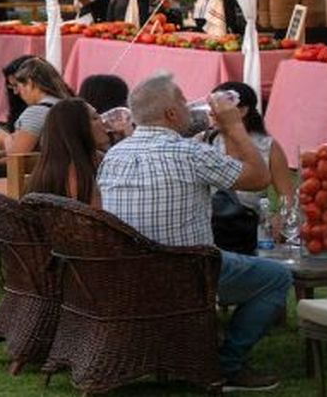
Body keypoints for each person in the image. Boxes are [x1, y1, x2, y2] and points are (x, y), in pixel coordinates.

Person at [97, 73, 289, 390]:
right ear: (172, 114)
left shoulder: (114, 155)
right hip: (187, 275)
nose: (190, 107)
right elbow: (258, 178)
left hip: (123, 277)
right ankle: (227, 365)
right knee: (276, 277)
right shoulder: (190, 153)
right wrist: (235, 127)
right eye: (184, 101)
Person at [198, 81, 295, 207]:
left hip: (250, 222)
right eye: (211, 107)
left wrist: (277, 219)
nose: (211, 113)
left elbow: (287, 196)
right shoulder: (204, 140)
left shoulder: (268, 146)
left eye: (219, 107)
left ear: (242, 111)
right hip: (210, 222)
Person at [25, 98, 106, 207]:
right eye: (95, 118)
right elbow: (99, 217)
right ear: (77, 129)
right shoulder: (77, 175)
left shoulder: (94, 159)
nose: (103, 121)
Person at [0, 57, 74, 156]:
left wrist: (5, 138)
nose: (16, 93)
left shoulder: (36, 112)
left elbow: (16, 156)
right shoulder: (71, 104)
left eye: (18, 87)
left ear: (30, 83)